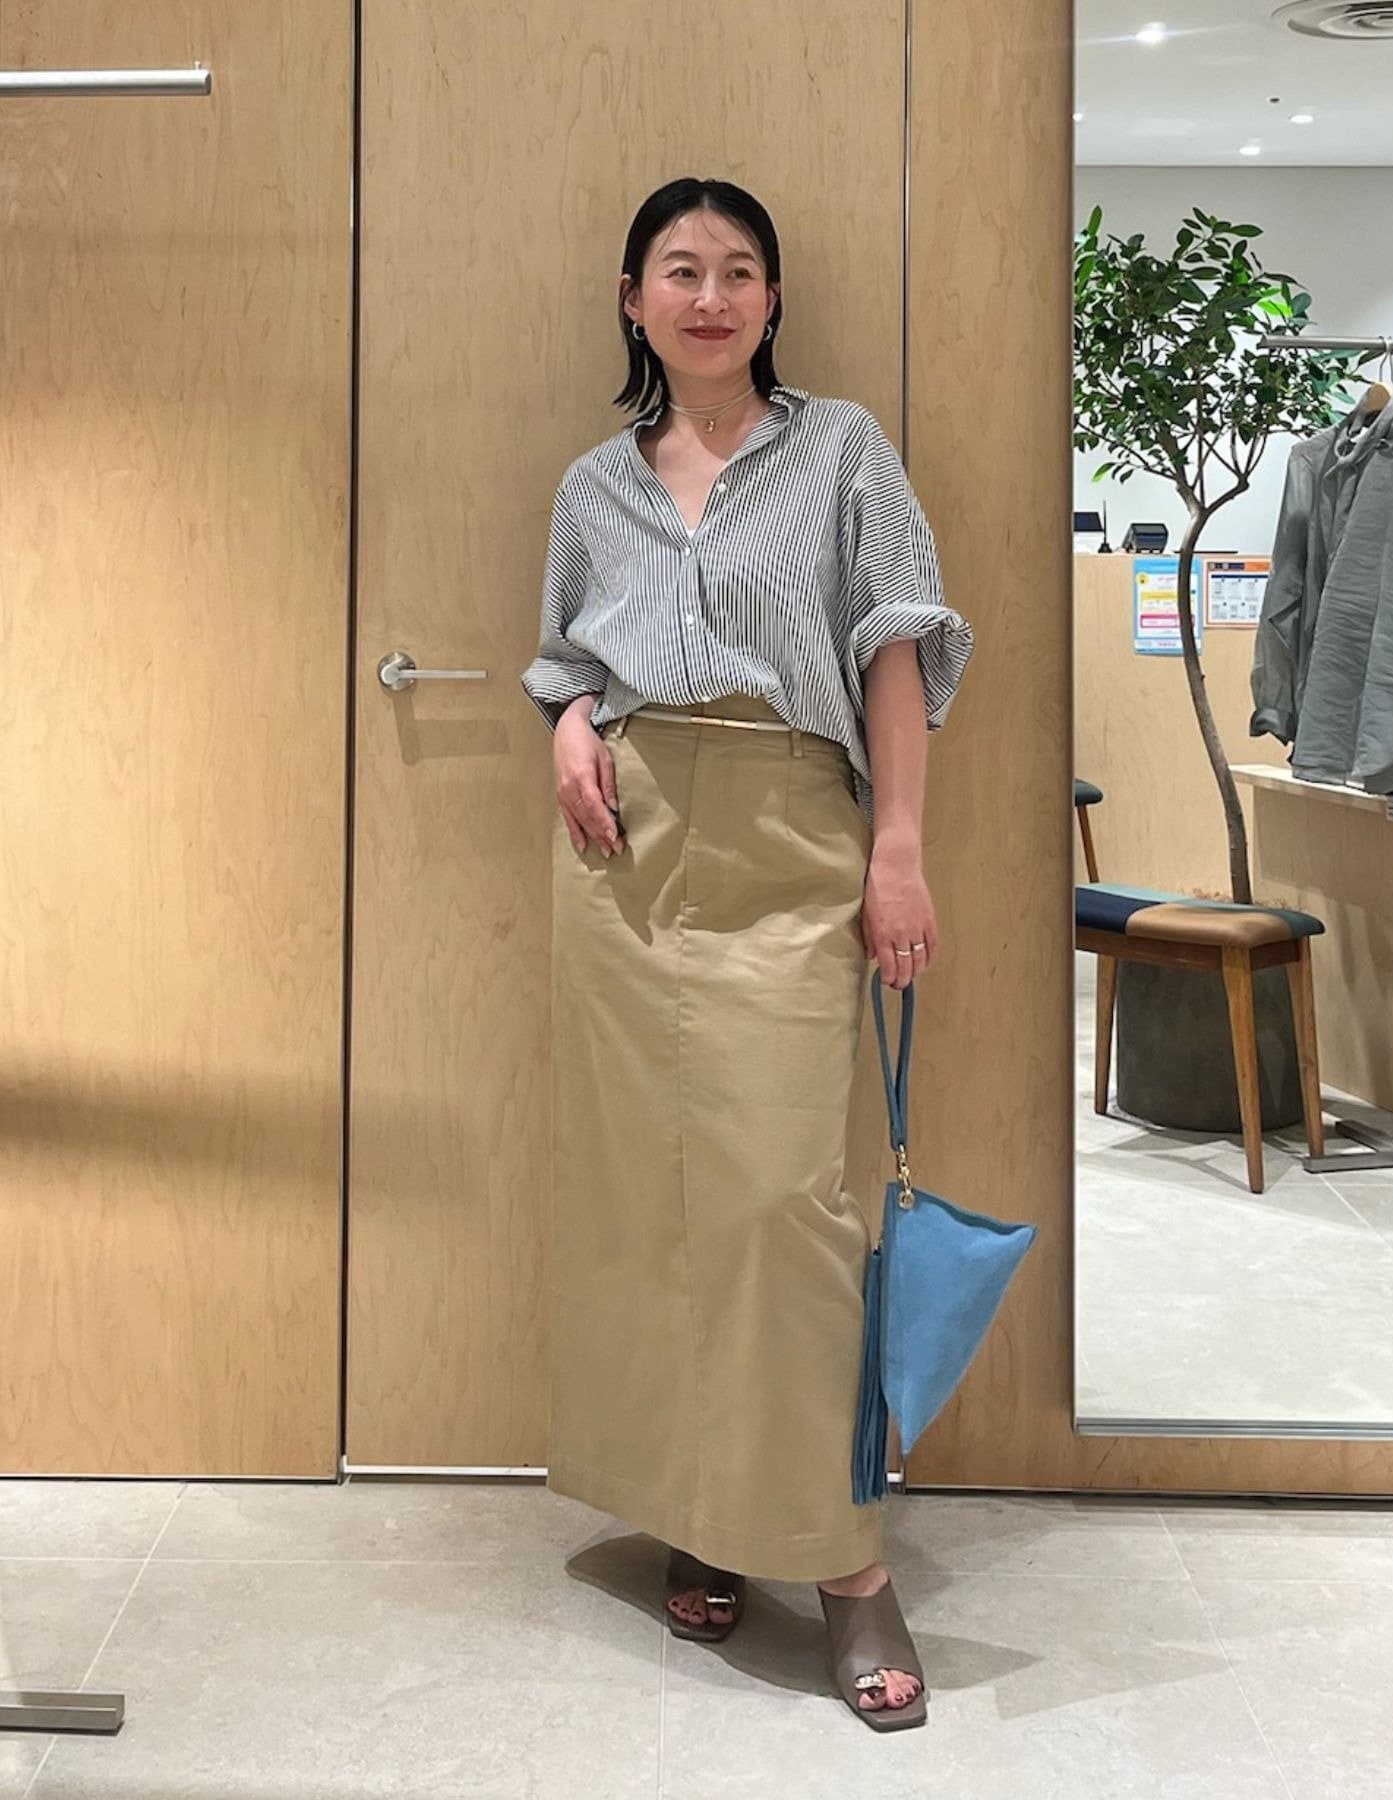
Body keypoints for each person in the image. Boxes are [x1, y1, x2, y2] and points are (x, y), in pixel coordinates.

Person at [520, 176, 974, 1732]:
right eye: (679, 270)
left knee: (784, 1203)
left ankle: (848, 1565)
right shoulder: (594, 485)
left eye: (737, 271)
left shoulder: (840, 450)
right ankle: (699, 1511)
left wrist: (897, 851)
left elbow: (895, 645)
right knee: (651, 1198)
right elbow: (569, 654)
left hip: (791, 839)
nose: (708, 297)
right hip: (629, 857)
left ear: (772, 300)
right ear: (632, 297)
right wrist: (570, 719)